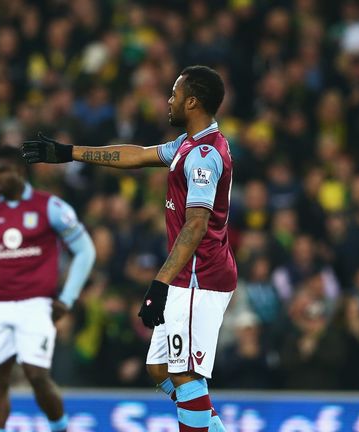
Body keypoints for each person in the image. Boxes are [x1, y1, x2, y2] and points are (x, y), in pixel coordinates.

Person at [23, 65, 234, 432]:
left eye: (174, 94)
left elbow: (196, 224)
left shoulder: (203, 155)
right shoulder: (189, 144)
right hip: (188, 276)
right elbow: (135, 155)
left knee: (183, 374)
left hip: (199, 278)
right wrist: (68, 152)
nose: (169, 101)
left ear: (193, 101)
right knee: (160, 368)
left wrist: (160, 283)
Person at [0, 146, 96, 432]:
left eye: (3, 171)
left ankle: (59, 426)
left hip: (35, 305)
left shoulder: (49, 206)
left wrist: (67, 298)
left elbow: (85, 250)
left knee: (36, 375)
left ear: (20, 171)